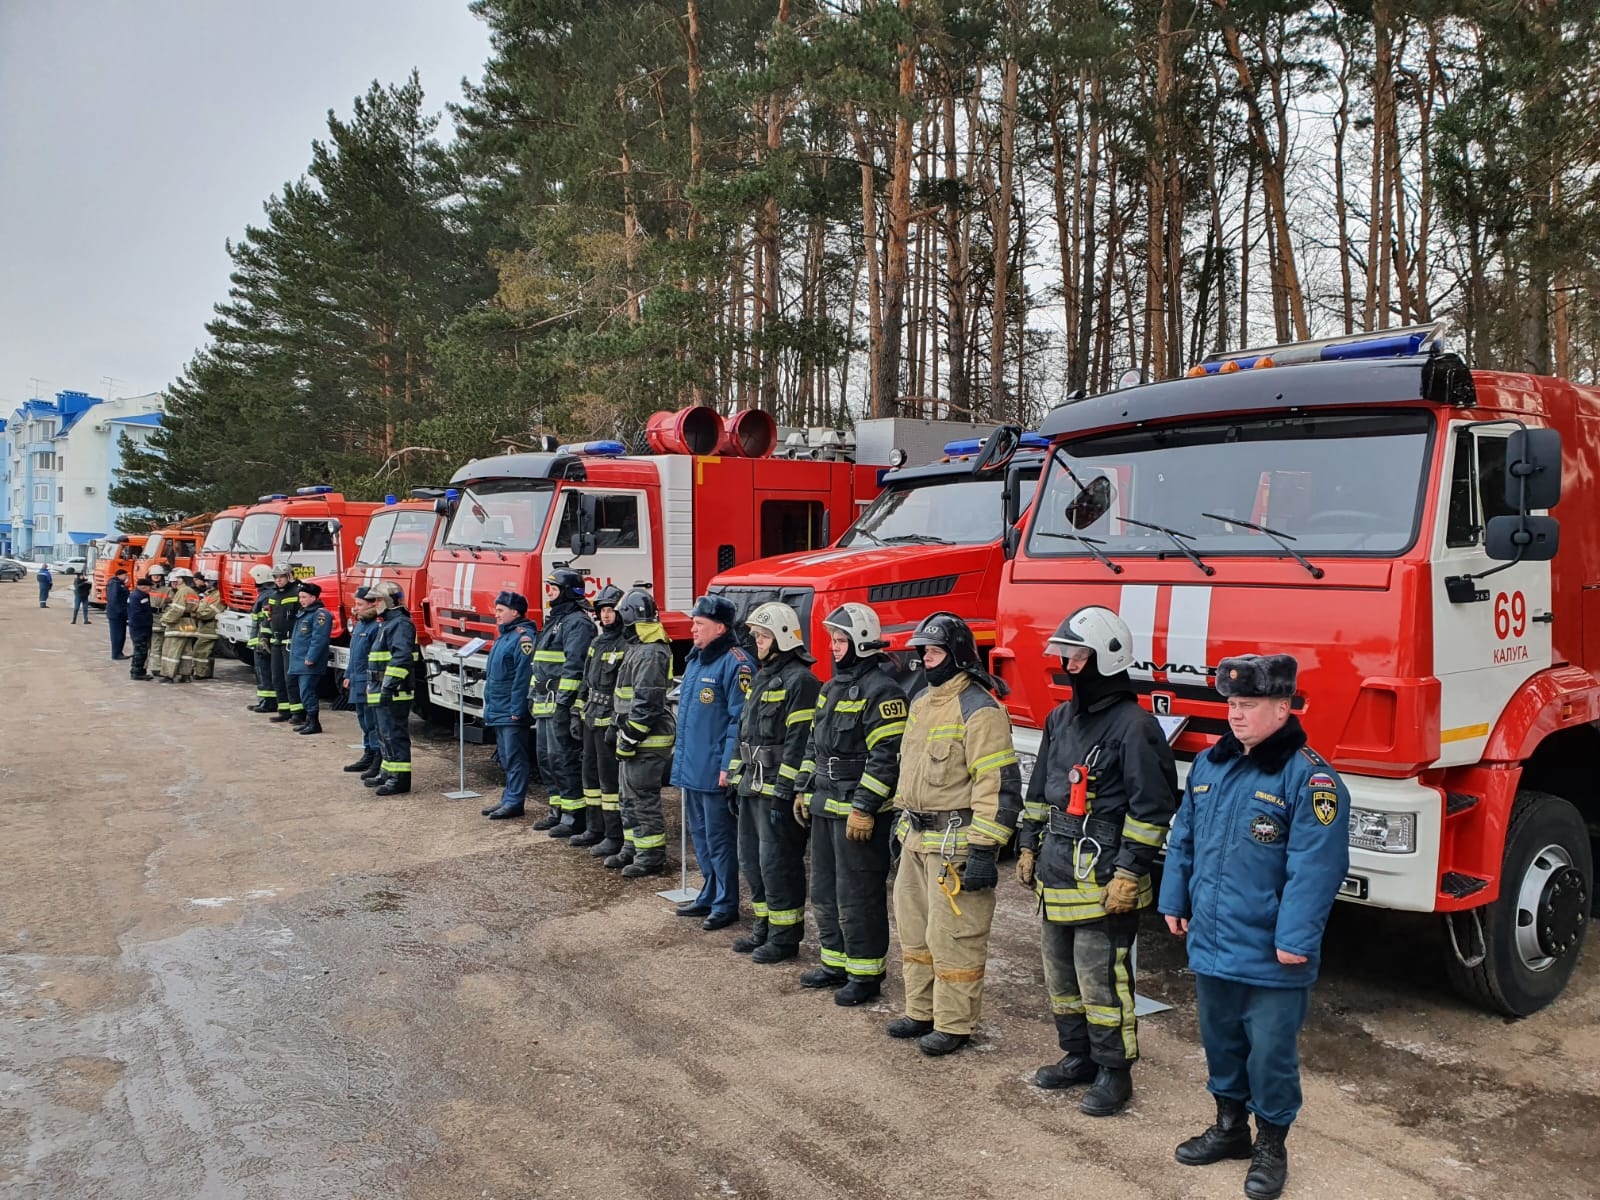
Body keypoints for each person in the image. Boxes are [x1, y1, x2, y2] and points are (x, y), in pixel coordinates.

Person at [1159, 654, 1349, 1200]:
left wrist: (1294, 940)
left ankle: (1271, 1143)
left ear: (1283, 707)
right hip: (1214, 942)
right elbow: (1185, 838)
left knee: (1269, 1052)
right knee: (1220, 1042)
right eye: (1232, 705)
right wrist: (1175, 898)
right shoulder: (1212, 765)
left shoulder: (1310, 778)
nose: (1235, 715)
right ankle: (1229, 1129)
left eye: (1248, 705)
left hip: (1271, 952)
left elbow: (1316, 866)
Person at [1016, 606, 1178, 1116]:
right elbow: (1040, 788)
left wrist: (1130, 872)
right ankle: (1078, 1056)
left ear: (1106, 659)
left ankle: (1115, 1070)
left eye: (1076, 655)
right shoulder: (1060, 719)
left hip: (1104, 874)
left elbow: (1153, 808)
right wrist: (1026, 842)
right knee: (1060, 976)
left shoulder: (1136, 727)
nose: (1068, 664)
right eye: (1065, 655)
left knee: (1102, 980)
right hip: (1058, 868)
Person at [889, 612, 1022, 1056]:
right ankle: (920, 1010)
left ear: (958, 655)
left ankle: (954, 1023)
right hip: (915, 838)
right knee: (915, 933)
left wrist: (985, 849)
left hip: (955, 845)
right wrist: (899, 821)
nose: (925, 659)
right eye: (922, 652)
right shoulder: (923, 702)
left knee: (954, 939)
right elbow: (909, 772)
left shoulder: (981, 709)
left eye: (934, 651)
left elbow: (997, 786)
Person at [794, 602, 906, 1006]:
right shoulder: (829, 687)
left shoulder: (884, 691)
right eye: (833, 640)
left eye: (841, 640)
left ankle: (865, 974)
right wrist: (805, 788)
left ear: (861, 642)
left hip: (858, 816)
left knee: (858, 895)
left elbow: (885, 757)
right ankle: (835, 962)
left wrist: (865, 806)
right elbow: (814, 745)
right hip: (825, 806)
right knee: (825, 892)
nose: (835, 648)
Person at [727, 601, 820, 963]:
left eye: (763, 636)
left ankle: (785, 938)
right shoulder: (763, 675)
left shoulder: (802, 681)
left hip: (774, 793)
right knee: (752, 861)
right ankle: (764, 926)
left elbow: (799, 743)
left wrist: (785, 794)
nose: (758, 643)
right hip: (752, 787)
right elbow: (743, 731)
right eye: (756, 636)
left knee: (778, 864)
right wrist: (736, 778)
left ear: (782, 638)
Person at [670, 594, 754, 931]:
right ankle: (709, 891)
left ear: (719, 628)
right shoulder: (697, 660)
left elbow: (739, 721)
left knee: (720, 842)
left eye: (699, 624)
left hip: (714, 770)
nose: (692, 629)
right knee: (701, 839)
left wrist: (727, 767)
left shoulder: (737, 663)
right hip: (693, 767)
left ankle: (726, 902)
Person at [606, 587, 675, 877]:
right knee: (627, 796)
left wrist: (629, 738)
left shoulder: (651, 652)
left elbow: (646, 703)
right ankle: (633, 848)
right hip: (632, 736)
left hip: (647, 739)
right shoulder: (639, 647)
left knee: (643, 798)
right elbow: (624, 696)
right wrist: (616, 728)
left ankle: (650, 856)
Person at [530, 569, 595, 837]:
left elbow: (574, 668)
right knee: (546, 759)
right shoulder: (555, 620)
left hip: (559, 704)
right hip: (544, 702)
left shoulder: (578, 623)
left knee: (564, 759)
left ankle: (573, 816)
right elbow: (540, 663)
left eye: (554, 589)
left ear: (567, 591)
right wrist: (532, 696)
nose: (549, 594)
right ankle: (556, 809)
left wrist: (565, 706)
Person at [573, 585, 627, 854]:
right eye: (603, 611)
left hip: (609, 723)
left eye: (611, 610)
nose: (606, 616)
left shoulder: (625, 645)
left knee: (610, 783)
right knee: (590, 777)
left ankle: (614, 835)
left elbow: (624, 691)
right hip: (590, 718)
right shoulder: (596, 643)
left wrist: (617, 725)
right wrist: (576, 711)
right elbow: (586, 680)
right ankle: (594, 829)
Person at [482, 591, 539, 819]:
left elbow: (522, 678)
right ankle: (508, 797)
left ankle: (515, 801)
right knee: (505, 756)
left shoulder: (523, 638)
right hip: (499, 707)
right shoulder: (503, 636)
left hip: (510, 711)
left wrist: (518, 709)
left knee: (515, 757)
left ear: (515, 612)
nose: (496, 615)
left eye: (500, 610)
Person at [366, 581, 417, 795]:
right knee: (384, 733)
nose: (374, 604)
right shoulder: (386, 623)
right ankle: (388, 772)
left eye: (377, 599)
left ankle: (399, 780)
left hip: (394, 691)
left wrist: (388, 687)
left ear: (388, 600)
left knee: (394, 734)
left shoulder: (401, 624)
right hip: (381, 687)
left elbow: (402, 658)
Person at [342, 587, 384, 781]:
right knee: (363, 720)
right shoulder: (360, 625)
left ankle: (377, 757)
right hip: (357, 679)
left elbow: (376, 659)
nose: (355, 608)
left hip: (368, 681)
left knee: (372, 721)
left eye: (360, 604)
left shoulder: (375, 626)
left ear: (371, 604)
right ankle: (368, 753)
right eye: (355, 604)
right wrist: (348, 674)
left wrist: (372, 682)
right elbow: (354, 654)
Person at [287, 581, 332, 734]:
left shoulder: (321, 614)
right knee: (300, 691)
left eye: (304, 597)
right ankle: (308, 721)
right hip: (298, 660)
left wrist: (311, 657)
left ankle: (314, 723)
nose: (301, 600)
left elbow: (319, 639)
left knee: (307, 691)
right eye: (300, 597)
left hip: (308, 662)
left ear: (313, 597)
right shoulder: (304, 613)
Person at [267, 563, 303, 723]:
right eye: (276, 577)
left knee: (291, 679)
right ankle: (284, 710)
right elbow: (268, 617)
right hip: (276, 641)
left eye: (281, 576)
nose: (278, 580)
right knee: (277, 678)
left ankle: (298, 712)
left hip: (291, 642)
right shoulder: (273, 595)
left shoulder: (298, 593)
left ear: (290, 576)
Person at [245, 565, 280, 712]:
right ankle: (263, 700)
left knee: (265, 672)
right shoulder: (265, 595)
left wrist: (262, 641)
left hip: (263, 642)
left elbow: (267, 620)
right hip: (259, 641)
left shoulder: (267, 596)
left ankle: (269, 702)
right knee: (261, 672)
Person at [156, 568, 201, 682]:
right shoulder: (193, 592)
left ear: (184, 579)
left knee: (170, 650)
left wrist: (165, 619)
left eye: (179, 578)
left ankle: (168, 675)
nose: (177, 581)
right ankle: (185, 676)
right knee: (186, 651)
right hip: (189, 624)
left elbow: (177, 610)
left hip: (178, 624)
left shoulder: (182, 591)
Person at [187, 573, 224, 679]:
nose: (206, 583)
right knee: (207, 652)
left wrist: (196, 614)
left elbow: (210, 612)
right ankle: (206, 672)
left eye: (208, 581)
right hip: (204, 627)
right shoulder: (209, 594)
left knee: (200, 651)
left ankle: (200, 673)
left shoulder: (218, 595)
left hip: (210, 627)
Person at [128, 576, 155, 680]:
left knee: (139, 650)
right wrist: (147, 624)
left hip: (136, 628)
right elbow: (138, 614)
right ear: (143, 587)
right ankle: (137, 672)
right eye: (149, 587)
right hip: (140, 629)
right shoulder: (140, 596)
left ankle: (137, 671)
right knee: (141, 651)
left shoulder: (134, 595)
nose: (150, 589)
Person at [144, 564, 168, 673]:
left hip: (160, 619)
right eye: (154, 575)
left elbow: (170, 605)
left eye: (158, 575)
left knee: (157, 644)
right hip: (147, 619)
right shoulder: (146, 589)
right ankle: (146, 666)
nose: (156, 577)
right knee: (147, 645)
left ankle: (156, 667)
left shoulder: (167, 590)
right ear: (150, 576)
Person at [106, 569, 130, 659]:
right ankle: (116, 654)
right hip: (116, 614)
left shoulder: (118, 583)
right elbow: (113, 599)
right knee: (117, 634)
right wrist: (120, 611)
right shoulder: (115, 584)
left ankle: (119, 652)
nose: (126, 577)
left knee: (121, 634)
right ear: (120, 575)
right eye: (125, 575)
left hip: (120, 613)